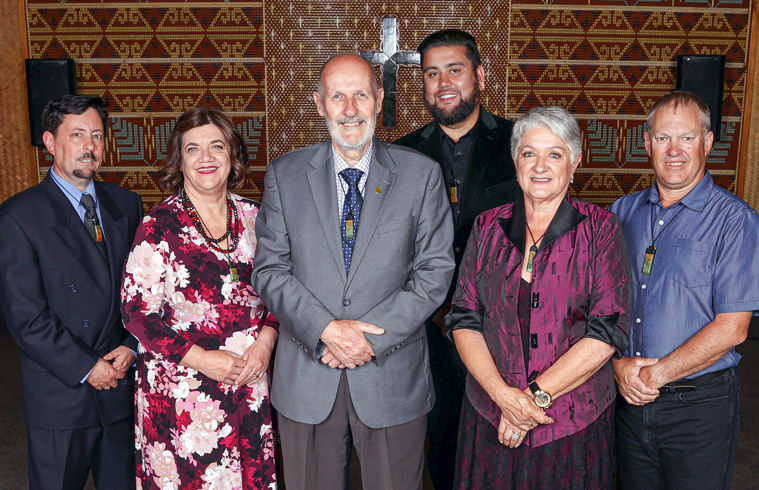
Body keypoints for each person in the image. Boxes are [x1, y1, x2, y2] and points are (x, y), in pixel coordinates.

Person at [252, 52, 455, 490]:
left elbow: (434, 272)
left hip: (391, 378)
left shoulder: (421, 175)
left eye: (360, 95)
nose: (349, 110)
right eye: (337, 96)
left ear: (379, 100)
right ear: (319, 102)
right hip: (308, 377)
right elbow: (269, 270)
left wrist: (361, 338)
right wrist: (326, 329)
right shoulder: (284, 175)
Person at [446, 106, 631, 489]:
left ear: (575, 162)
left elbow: (608, 331)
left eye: (555, 154)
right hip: (491, 414)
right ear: (516, 162)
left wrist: (530, 403)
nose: (540, 165)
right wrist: (504, 399)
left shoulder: (601, 230)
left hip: (571, 424)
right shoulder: (487, 226)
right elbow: (463, 317)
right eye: (529, 153)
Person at [120, 107, 279, 489]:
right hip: (183, 390)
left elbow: (282, 296)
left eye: (216, 146)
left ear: (232, 155)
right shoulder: (158, 227)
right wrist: (204, 361)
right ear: (180, 160)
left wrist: (264, 348)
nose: (206, 158)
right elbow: (136, 314)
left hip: (249, 379)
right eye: (193, 149)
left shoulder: (260, 218)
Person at [609, 91, 759, 489]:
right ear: (646, 143)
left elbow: (733, 328)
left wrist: (656, 374)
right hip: (628, 401)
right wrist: (616, 366)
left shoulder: (736, 222)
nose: (674, 150)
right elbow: (601, 307)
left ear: (707, 142)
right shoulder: (620, 212)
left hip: (699, 408)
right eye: (662, 138)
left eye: (687, 138)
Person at [394, 29, 519, 490]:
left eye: (455, 70)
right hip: (425, 331)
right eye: (431, 73)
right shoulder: (402, 155)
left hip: (504, 326)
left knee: (505, 438)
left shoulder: (518, 143)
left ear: (479, 76)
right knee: (440, 441)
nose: (443, 82)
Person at [0, 94, 143, 490]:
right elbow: (26, 318)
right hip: (61, 395)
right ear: (50, 143)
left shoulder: (127, 204)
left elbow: (146, 292)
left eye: (96, 136)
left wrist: (132, 344)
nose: (89, 146)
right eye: (77, 134)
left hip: (120, 383)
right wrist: (87, 367)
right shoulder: (19, 216)